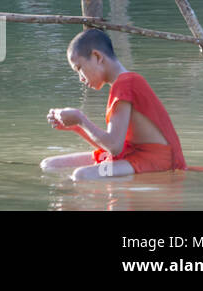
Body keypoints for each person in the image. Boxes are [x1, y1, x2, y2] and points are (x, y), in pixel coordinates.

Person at [41, 28, 189, 179]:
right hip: (131, 155)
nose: (81, 78)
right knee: (49, 164)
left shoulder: (126, 83)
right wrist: (77, 127)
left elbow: (114, 147)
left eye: (79, 69)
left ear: (97, 56)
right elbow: (113, 146)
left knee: (82, 175)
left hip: (155, 163)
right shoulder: (121, 84)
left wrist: (80, 119)